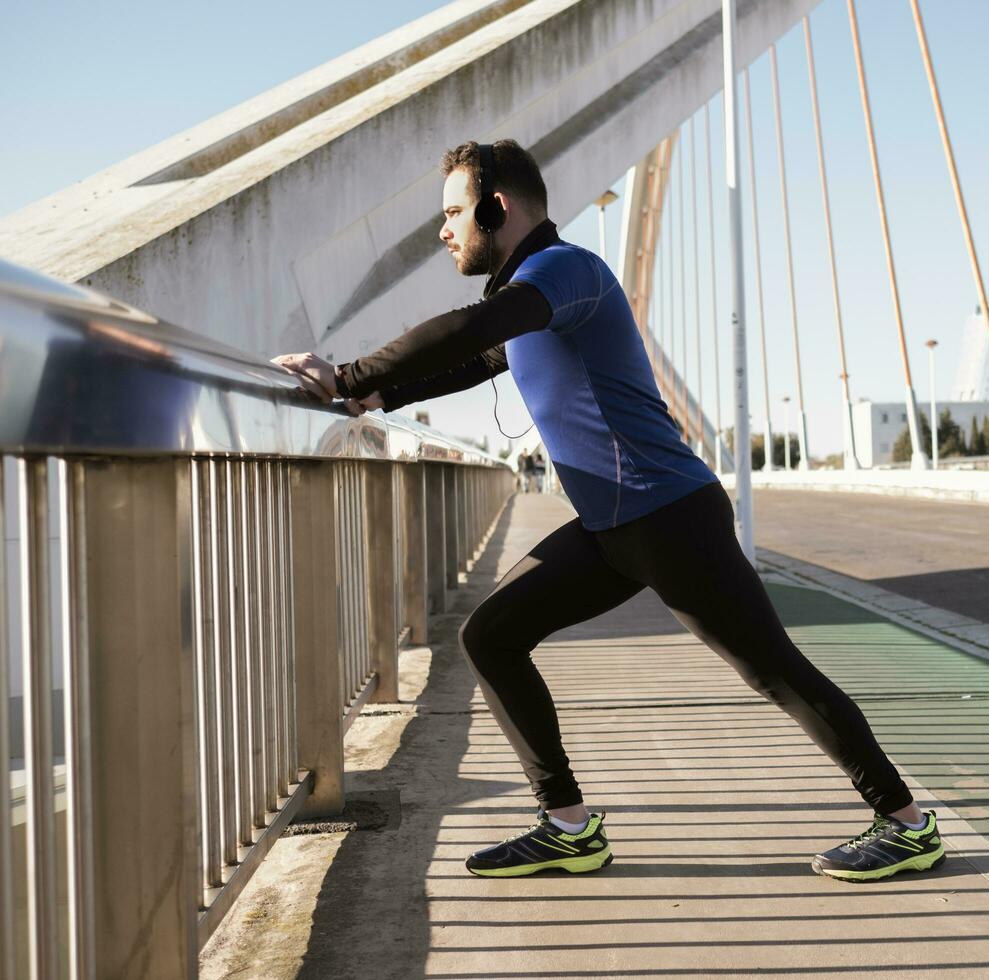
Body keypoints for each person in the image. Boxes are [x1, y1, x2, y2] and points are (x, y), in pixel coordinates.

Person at [273, 140, 944, 883]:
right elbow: (477, 361)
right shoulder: (532, 300)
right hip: (611, 530)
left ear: (498, 208)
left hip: (670, 516)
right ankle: (566, 825)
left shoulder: (563, 272)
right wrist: (377, 395)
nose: (444, 231)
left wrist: (350, 371)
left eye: (455, 213)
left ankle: (907, 824)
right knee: (492, 636)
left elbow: (471, 332)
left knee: (775, 672)